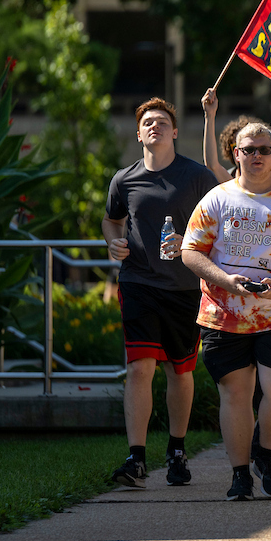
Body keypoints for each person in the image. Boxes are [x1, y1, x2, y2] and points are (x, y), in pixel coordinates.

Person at [180, 122, 271, 500]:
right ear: (237, 154)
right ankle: (240, 474)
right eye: (250, 150)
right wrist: (225, 280)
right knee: (236, 393)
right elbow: (190, 251)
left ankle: (264, 452)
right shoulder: (217, 199)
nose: (259, 156)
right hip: (223, 312)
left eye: (266, 150)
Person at [102, 98, 218, 489]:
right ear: (138, 134)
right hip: (138, 283)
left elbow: (221, 225)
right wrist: (113, 244)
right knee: (139, 367)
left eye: (162, 121)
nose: (155, 126)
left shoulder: (197, 176)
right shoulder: (124, 179)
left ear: (174, 131)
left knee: (179, 371)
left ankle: (177, 450)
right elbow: (111, 220)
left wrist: (192, 243)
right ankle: (135, 458)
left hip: (185, 286)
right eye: (148, 122)